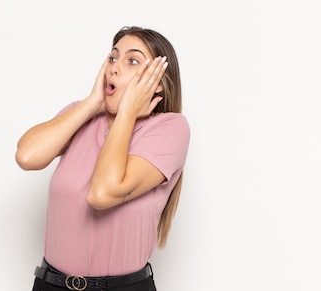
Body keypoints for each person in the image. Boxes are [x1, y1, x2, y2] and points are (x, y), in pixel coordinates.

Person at [15, 26, 190, 291]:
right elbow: (27, 156)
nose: (114, 67)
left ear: (158, 82)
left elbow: (102, 194)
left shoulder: (169, 128)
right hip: (51, 284)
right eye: (112, 57)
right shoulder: (81, 115)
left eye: (132, 60)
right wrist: (93, 102)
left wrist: (127, 113)